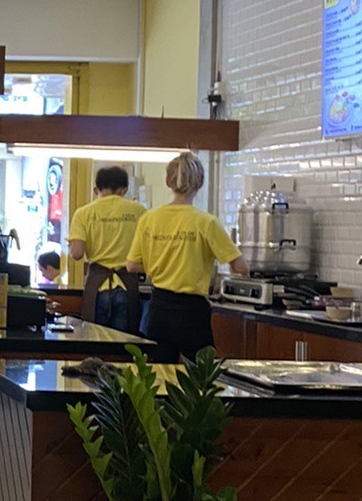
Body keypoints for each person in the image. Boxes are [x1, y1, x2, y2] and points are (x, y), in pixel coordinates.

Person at [125, 151, 248, 362]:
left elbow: (131, 265)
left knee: (159, 374)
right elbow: (241, 267)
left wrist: (160, 264)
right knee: (200, 375)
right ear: (199, 183)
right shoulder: (206, 222)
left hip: (159, 308)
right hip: (192, 312)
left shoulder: (149, 219)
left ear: (167, 181)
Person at [67, 164, 146, 331]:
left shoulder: (83, 213)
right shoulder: (139, 211)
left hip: (97, 286)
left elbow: (77, 253)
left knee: (96, 339)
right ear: (123, 190)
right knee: (124, 341)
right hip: (127, 284)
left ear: (97, 189)